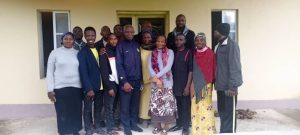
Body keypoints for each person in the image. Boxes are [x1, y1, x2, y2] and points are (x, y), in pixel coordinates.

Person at [78, 26, 112, 135]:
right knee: (87, 109)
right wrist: (88, 88)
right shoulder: (82, 53)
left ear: (96, 35)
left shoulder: (99, 49)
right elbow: (83, 72)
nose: (90, 37)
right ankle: (88, 128)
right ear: (85, 36)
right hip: (90, 87)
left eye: (92, 35)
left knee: (98, 108)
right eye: (88, 35)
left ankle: (97, 127)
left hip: (100, 86)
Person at [46, 32, 82, 135]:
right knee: (62, 111)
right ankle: (63, 131)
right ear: (62, 40)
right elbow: (49, 72)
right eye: (66, 38)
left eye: (70, 39)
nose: (68, 40)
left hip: (76, 87)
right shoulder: (55, 53)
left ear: (73, 41)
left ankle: (75, 130)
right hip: (60, 87)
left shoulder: (77, 53)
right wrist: (50, 89)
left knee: (76, 111)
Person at [214, 23, 243, 133]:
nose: (214, 33)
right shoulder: (218, 45)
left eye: (215, 31)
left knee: (229, 114)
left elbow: (235, 66)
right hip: (221, 86)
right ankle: (223, 132)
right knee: (222, 112)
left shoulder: (232, 46)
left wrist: (233, 86)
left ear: (219, 32)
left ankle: (229, 132)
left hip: (229, 88)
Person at [116, 25, 143, 135]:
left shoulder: (137, 45)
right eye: (127, 32)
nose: (129, 34)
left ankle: (133, 124)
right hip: (126, 82)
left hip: (137, 81)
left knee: (134, 105)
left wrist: (141, 78)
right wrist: (124, 82)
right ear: (123, 32)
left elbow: (140, 64)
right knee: (125, 106)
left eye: (131, 32)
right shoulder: (120, 46)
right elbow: (119, 65)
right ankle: (126, 126)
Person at [148, 35, 177, 135]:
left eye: (162, 41)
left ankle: (166, 127)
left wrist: (157, 78)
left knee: (167, 105)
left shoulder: (170, 52)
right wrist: (157, 80)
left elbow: (168, 67)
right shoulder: (152, 53)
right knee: (156, 105)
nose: (160, 43)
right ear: (156, 42)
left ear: (165, 43)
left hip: (167, 82)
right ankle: (157, 126)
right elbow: (149, 67)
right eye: (158, 41)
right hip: (155, 83)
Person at [190, 33, 216, 135]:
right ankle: (196, 132)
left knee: (205, 109)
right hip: (194, 85)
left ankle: (207, 132)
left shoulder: (210, 53)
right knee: (195, 109)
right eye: (197, 40)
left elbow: (214, 69)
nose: (199, 42)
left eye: (201, 40)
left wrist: (212, 83)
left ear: (205, 41)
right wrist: (192, 84)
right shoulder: (194, 53)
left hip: (206, 85)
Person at [169, 34, 192, 135]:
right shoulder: (173, 52)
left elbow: (191, 71)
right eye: (177, 40)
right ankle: (179, 124)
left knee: (185, 106)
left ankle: (186, 127)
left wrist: (187, 87)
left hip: (184, 84)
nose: (178, 42)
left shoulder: (188, 52)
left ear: (185, 41)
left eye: (181, 40)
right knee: (178, 106)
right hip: (175, 84)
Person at [103, 33, 120, 135]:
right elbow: (104, 71)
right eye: (111, 39)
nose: (113, 41)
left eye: (115, 39)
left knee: (114, 106)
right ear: (108, 40)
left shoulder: (118, 50)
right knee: (109, 106)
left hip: (118, 82)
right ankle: (109, 129)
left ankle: (112, 125)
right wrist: (109, 87)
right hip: (110, 83)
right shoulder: (105, 52)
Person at [139, 31, 155, 128]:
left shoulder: (155, 49)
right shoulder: (139, 49)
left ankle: (152, 117)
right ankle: (144, 118)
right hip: (143, 78)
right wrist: (140, 77)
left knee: (152, 99)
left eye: (148, 37)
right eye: (144, 37)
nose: (146, 39)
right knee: (143, 99)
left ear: (151, 38)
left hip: (153, 78)